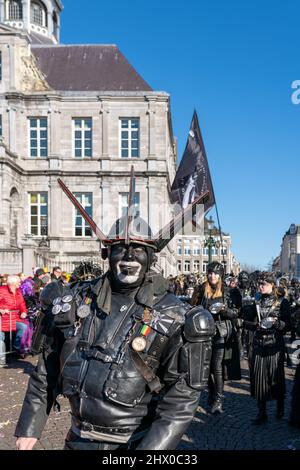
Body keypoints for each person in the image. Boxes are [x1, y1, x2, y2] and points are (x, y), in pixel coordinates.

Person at [15, 176, 215, 450]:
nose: (129, 257)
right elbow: (46, 368)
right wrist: (30, 426)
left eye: (138, 250)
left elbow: (180, 401)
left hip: (132, 444)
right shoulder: (75, 299)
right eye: (121, 249)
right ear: (107, 254)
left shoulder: (174, 315)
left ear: (151, 257)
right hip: (77, 439)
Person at [191, 261, 241, 414]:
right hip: (204, 331)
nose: (212, 276)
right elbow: (193, 307)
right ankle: (212, 393)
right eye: (210, 273)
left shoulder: (227, 291)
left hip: (220, 333)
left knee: (216, 367)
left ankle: (218, 400)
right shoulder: (201, 290)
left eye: (216, 274)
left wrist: (225, 311)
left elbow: (236, 312)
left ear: (221, 275)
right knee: (205, 367)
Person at [243, 272, 291, 424]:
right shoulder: (255, 301)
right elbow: (245, 322)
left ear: (272, 285)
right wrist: (254, 325)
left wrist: (277, 324)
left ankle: (280, 408)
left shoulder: (282, 302)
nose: (260, 286)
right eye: (259, 284)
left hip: (275, 344)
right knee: (259, 379)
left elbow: (288, 326)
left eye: (263, 284)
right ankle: (261, 413)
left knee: (276, 377)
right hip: (258, 344)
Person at [0, 275, 28, 364]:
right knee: (1, 338)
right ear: (13, 283)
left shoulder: (19, 291)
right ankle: (2, 359)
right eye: (19, 282)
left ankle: (16, 347)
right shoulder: (2, 290)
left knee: (23, 327)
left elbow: (22, 304)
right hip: (2, 319)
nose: (20, 283)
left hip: (14, 319)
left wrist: (24, 311)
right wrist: (1, 310)